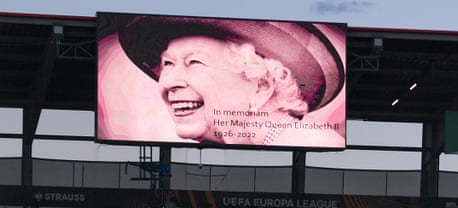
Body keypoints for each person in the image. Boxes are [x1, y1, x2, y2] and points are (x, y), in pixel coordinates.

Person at [112, 15, 345, 147]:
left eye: (195, 62)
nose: (169, 81)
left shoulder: (309, 143)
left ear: (262, 86)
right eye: (168, 64)